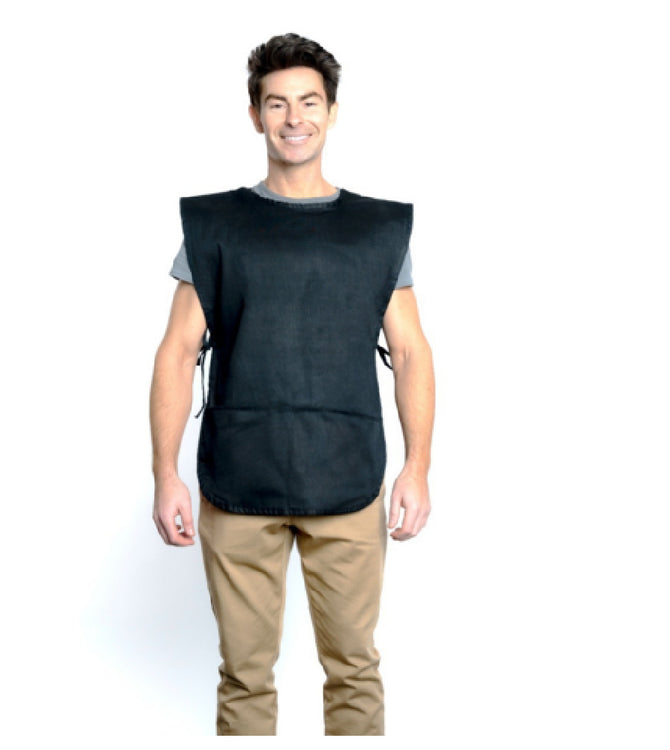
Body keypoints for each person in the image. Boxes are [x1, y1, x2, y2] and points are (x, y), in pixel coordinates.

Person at [149, 32, 435, 736]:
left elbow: (410, 351)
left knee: (355, 670)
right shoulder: (215, 225)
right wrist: (165, 475)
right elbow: (177, 351)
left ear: (332, 111)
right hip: (238, 480)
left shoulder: (377, 229)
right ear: (255, 115)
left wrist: (417, 468)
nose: (294, 117)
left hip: (347, 477)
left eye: (308, 101)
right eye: (276, 103)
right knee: (244, 676)